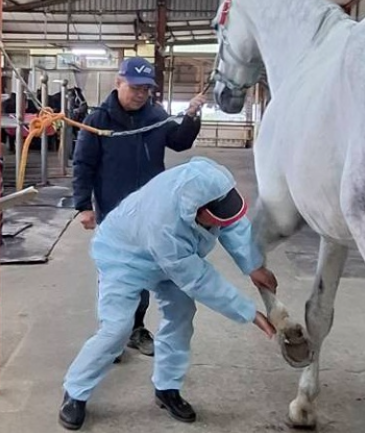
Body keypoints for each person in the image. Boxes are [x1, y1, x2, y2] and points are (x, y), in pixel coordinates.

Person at [59, 157, 278, 429]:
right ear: (194, 210)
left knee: (182, 316)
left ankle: (167, 388)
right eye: (215, 214)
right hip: (123, 256)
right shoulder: (166, 225)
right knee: (117, 329)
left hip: (168, 258)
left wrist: (253, 265)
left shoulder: (208, 184)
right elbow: (197, 278)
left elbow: (233, 223)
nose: (223, 218)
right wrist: (248, 312)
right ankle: (75, 392)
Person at [73, 57, 206, 357]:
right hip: (112, 210)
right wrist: (83, 205)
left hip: (149, 213)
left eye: (146, 89)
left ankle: (135, 329)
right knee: (114, 275)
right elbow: (83, 164)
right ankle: (113, 335)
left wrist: (192, 116)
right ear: (118, 83)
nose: (141, 94)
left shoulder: (154, 115)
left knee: (144, 270)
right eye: (135, 88)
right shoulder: (97, 121)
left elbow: (180, 142)